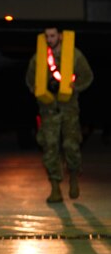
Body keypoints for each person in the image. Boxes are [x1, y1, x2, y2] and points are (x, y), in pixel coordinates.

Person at [25, 27, 93, 203]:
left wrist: (74, 86)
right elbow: (30, 79)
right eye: (47, 36)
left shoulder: (74, 55)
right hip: (48, 109)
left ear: (60, 36)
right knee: (50, 146)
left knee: (71, 145)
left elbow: (87, 76)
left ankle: (73, 178)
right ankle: (55, 187)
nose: (49, 39)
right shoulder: (39, 57)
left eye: (53, 36)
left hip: (69, 107)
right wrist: (36, 89)